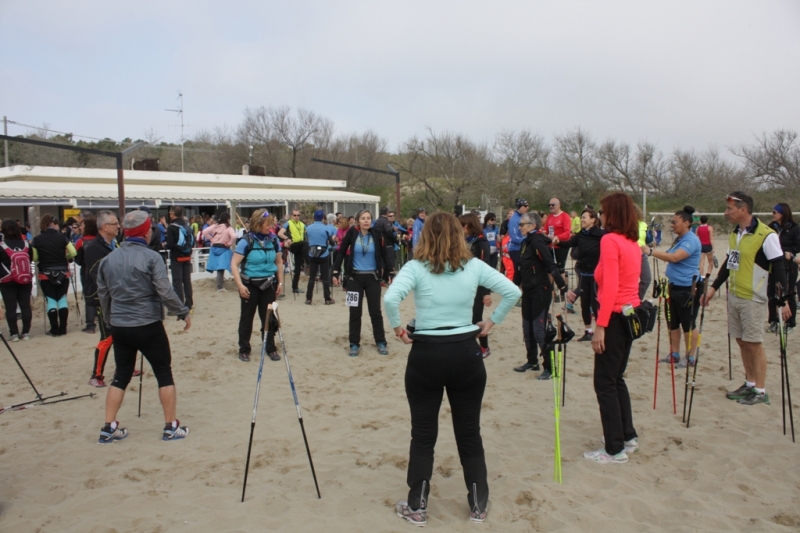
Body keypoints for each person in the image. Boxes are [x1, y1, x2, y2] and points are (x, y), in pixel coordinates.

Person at [384, 212, 520, 526]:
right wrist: (491, 321)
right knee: (469, 432)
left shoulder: (415, 267)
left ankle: (417, 506)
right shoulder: (472, 266)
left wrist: (398, 330)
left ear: (425, 236)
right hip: (466, 354)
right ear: (459, 235)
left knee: (423, 435)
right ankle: (478, 505)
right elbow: (513, 291)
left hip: (426, 356)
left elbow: (391, 299)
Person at [96, 210, 192, 444]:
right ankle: (170, 426)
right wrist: (182, 311)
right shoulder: (151, 257)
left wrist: (110, 320)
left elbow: (103, 294)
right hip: (148, 323)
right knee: (163, 373)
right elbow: (164, 290)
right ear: (146, 231)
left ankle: (108, 427)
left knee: (121, 375)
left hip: (120, 324)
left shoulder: (108, 260)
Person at [702, 192, 790, 406]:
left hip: (755, 297)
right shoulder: (735, 234)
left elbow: (778, 266)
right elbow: (729, 263)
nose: (726, 213)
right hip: (735, 296)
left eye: (730, 209)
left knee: (754, 343)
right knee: (742, 341)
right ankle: (750, 383)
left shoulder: (766, 235)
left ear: (743, 209)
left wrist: (784, 298)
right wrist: (714, 288)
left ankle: (760, 390)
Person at [587, 192, 642, 464]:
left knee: (605, 382)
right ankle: (626, 435)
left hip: (617, 316)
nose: (601, 216)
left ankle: (614, 448)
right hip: (629, 315)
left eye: (603, 211)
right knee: (616, 378)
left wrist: (600, 326)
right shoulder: (632, 242)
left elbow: (609, 288)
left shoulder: (611, 240)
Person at [512, 213, 567, 378]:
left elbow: (550, 264)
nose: (519, 227)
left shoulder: (537, 241)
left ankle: (550, 368)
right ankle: (532, 361)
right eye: (520, 224)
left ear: (532, 225)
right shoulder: (525, 242)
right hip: (528, 291)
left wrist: (562, 285)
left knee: (539, 330)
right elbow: (520, 267)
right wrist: (513, 287)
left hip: (540, 291)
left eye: (522, 224)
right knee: (527, 329)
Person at [647, 206, 702, 368]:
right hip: (674, 287)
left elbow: (675, 257)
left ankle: (691, 356)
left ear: (686, 223)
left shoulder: (691, 240)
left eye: (674, 222)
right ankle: (675, 353)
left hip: (688, 288)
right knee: (673, 322)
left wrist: (651, 252)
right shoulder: (680, 239)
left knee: (689, 324)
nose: (672, 225)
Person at [332, 210, 391, 357]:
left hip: (372, 278)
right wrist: (335, 271)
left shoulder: (377, 233)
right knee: (354, 312)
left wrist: (390, 271)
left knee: (375, 312)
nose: (366, 221)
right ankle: (354, 343)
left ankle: (381, 341)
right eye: (363, 218)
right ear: (357, 221)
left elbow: (384, 253)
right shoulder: (352, 233)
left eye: (369, 218)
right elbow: (341, 251)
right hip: (354, 279)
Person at [231, 209, 284, 363]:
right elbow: (234, 264)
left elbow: (279, 262)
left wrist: (280, 282)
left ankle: (270, 348)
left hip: (268, 284)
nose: (271, 227)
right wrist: (240, 286)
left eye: (271, 224)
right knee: (247, 319)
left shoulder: (273, 240)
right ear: (258, 223)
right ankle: (244, 349)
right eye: (268, 224)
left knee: (268, 318)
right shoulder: (246, 241)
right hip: (250, 285)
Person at [82, 210, 121, 387]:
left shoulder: (114, 244)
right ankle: (96, 375)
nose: (119, 226)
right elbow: (98, 276)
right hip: (102, 297)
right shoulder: (93, 248)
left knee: (124, 334)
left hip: (117, 295)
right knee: (108, 336)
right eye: (115, 224)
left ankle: (122, 367)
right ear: (105, 227)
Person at [561, 208, 606, 342]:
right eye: (581, 217)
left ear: (593, 219)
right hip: (583, 273)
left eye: (584, 217)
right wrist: (554, 241)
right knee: (584, 303)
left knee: (595, 303)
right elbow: (568, 244)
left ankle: (600, 331)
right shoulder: (580, 235)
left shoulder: (601, 234)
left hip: (596, 274)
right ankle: (588, 331)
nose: (582, 219)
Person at [32, 214, 77, 336]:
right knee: (62, 299)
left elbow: (35, 257)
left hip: (45, 274)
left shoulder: (37, 239)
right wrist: (65, 256)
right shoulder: (62, 237)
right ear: (54, 224)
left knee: (51, 300)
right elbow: (73, 252)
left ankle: (54, 329)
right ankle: (63, 328)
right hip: (63, 272)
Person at [460, 213, 493, 357]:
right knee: (466, 318)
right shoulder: (466, 240)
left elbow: (485, 269)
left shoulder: (481, 242)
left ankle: (484, 347)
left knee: (476, 319)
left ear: (468, 226)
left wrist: (486, 293)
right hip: (466, 285)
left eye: (462, 225)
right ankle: (469, 345)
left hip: (479, 287)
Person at [767, 203, 800, 332]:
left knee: (789, 292)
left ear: (783, 213)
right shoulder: (771, 228)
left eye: (775, 212)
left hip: (788, 265)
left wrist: (787, 253)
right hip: (774, 265)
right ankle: (774, 321)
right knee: (772, 292)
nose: (772, 214)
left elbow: (798, 246)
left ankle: (790, 323)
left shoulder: (794, 228)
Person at [0, 219, 34, 341]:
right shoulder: (26, 244)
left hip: (7, 280)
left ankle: (13, 333)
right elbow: (31, 259)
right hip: (25, 278)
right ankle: (25, 332)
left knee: (11, 307)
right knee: (25, 305)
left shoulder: (2, 246)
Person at [305, 209, 336, 305]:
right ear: (323, 217)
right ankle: (327, 298)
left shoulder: (308, 228)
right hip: (324, 254)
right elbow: (331, 242)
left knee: (312, 277)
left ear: (314, 217)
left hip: (312, 254)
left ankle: (309, 298)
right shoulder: (326, 228)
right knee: (325, 277)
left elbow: (307, 239)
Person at [74, 214, 99, 334]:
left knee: (89, 297)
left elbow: (78, 261)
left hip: (86, 272)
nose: (80, 227)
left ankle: (90, 325)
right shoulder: (101, 240)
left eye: (82, 225)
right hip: (100, 271)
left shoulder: (81, 242)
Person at [203, 212, 237, 292]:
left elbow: (204, 232)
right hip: (224, 248)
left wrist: (211, 239)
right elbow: (234, 236)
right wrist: (229, 243)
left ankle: (220, 281)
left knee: (219, 267)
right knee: (221, 268)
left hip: (214, 247)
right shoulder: (228, 228)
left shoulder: (215, 226)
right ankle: (220, 286)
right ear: (228, 219)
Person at [283, 209, 307, 295]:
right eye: (294, 215)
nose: (296, 217)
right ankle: (308, 262)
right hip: (293, 245)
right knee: (305, 243)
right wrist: (287, 239)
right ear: (291, 216)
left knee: (298, 268)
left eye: (298, 215)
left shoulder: (302, 224)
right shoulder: (288, 223)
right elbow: (280, 233)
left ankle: (295, 287)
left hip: (301, 247)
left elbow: (308, 233)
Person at [545, 197, 572, 273]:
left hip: (561, 246)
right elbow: (545, 230)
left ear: (559, 205)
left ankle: (563, 284)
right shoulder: (550, 217)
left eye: (553, 205)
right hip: (551, 246)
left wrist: (557, 237)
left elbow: (567, 233)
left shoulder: (565, 216)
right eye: (549, 205)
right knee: (550, 269)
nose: (551, 207)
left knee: (560, 269)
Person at [374, 207, 398, 285]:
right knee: (389, 262)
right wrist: (396, 240)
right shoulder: (385, 221)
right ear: (387, 213)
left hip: (378, 244)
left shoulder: (377, 221)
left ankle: (380, 278)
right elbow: (389, 233)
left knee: (381, 263)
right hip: (387, 244)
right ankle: (388, 278)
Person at [634, 205, 653, 302]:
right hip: (630, 255)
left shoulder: (643, 224)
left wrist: (652, 235)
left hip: (641, 254)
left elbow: (648, 239)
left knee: (647, 278)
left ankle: (637, 299)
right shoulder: (624, 225)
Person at [507, 199, 529, 271]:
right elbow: (514, 237)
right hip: (514, 249)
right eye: (525, 206)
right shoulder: (514, 219)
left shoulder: (523, 217)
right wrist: (527, 240)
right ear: (520, 207)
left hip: (521, 248)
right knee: (519, 271)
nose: (527, 207)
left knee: (522, 271)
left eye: (528, 206)